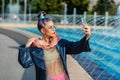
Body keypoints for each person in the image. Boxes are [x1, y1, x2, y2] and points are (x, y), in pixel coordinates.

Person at [18, 11, 91, 80]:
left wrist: (87, 36)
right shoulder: (36, 47)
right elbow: (25, 63)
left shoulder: (60, 43)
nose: (53, 29)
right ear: (43, 30)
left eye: (54, 27)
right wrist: (27, 46)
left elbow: (76, 47)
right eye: (50, 27)